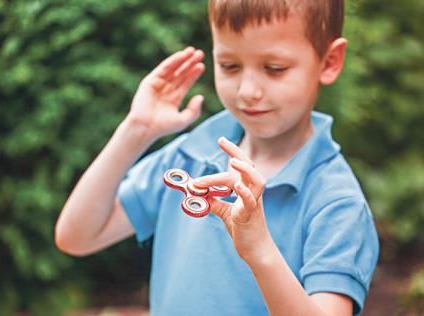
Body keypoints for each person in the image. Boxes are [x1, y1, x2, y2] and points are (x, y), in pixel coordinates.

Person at [55, 0, 380, 315]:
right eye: (230, 66)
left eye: (274, 69)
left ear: (330, 61)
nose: (247, 91)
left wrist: (259, 251)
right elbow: (77, 236)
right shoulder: (188, 158)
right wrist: (136, 131)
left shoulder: (337, 204)